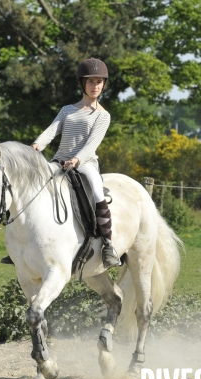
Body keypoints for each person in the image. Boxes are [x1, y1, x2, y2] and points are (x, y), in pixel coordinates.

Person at [30, 57, 121, 268]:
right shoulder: (67, 110)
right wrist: (37, 145)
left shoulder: (102, 116)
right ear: (82, 83)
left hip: (86, 163)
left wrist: (77, 159)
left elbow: (92, 143)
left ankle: (108, 245)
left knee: (98, 192)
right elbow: (52, 130)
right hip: (60, 161)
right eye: (91, 81)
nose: (95, 86)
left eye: (99, 82)